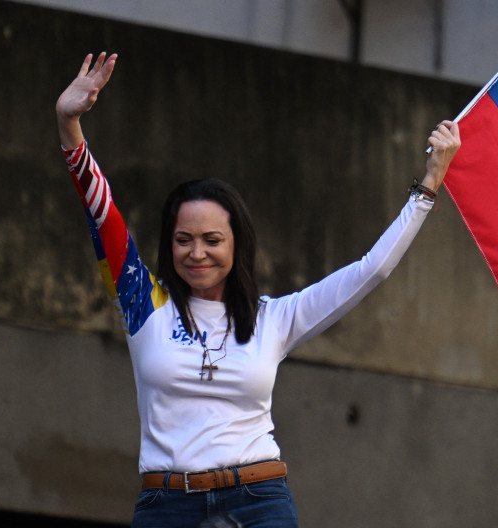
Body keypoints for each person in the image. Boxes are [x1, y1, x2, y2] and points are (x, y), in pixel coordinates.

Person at [56, 52, 461, 528]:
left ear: (237, 244)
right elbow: (100, 212)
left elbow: (370, 272)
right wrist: (69, 126)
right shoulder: (144, 303)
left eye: (212, 241)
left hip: (258, 503)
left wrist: (430, 184)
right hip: (167, 507)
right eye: (183, 240)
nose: (197, 253)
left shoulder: (275, 318)